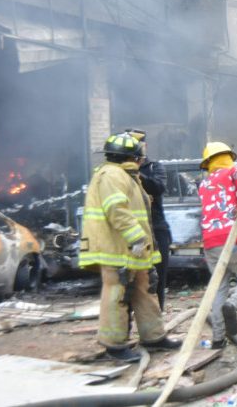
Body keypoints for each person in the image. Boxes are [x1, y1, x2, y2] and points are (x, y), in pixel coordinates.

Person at [79, 132, 181, 362]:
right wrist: (136, 238)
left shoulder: (128, 176)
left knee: (145, 292)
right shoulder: (111, 176)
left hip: (133, 251)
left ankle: (153, 337)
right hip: (116, 250)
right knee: (118, 294)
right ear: (133, 157)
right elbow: (117, 210)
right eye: (139, 156)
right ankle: (114, 346)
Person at [198, 142, 237, 349]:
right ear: (227, 157)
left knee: (218, 287)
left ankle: (217, 339)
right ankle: (233, 304)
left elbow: (222, 199)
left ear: (209, 163)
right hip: (233, 238)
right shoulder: (234, 171)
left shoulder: (204, 184)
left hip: (210, 242)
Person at [126, 130, 173, 312]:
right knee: (131, 280)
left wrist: (136, 173)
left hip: (156, 230)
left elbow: (158, 187)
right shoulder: (118, 174)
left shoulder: (154, 167)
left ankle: (157, 317)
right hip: (131, 231)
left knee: (158, 278)